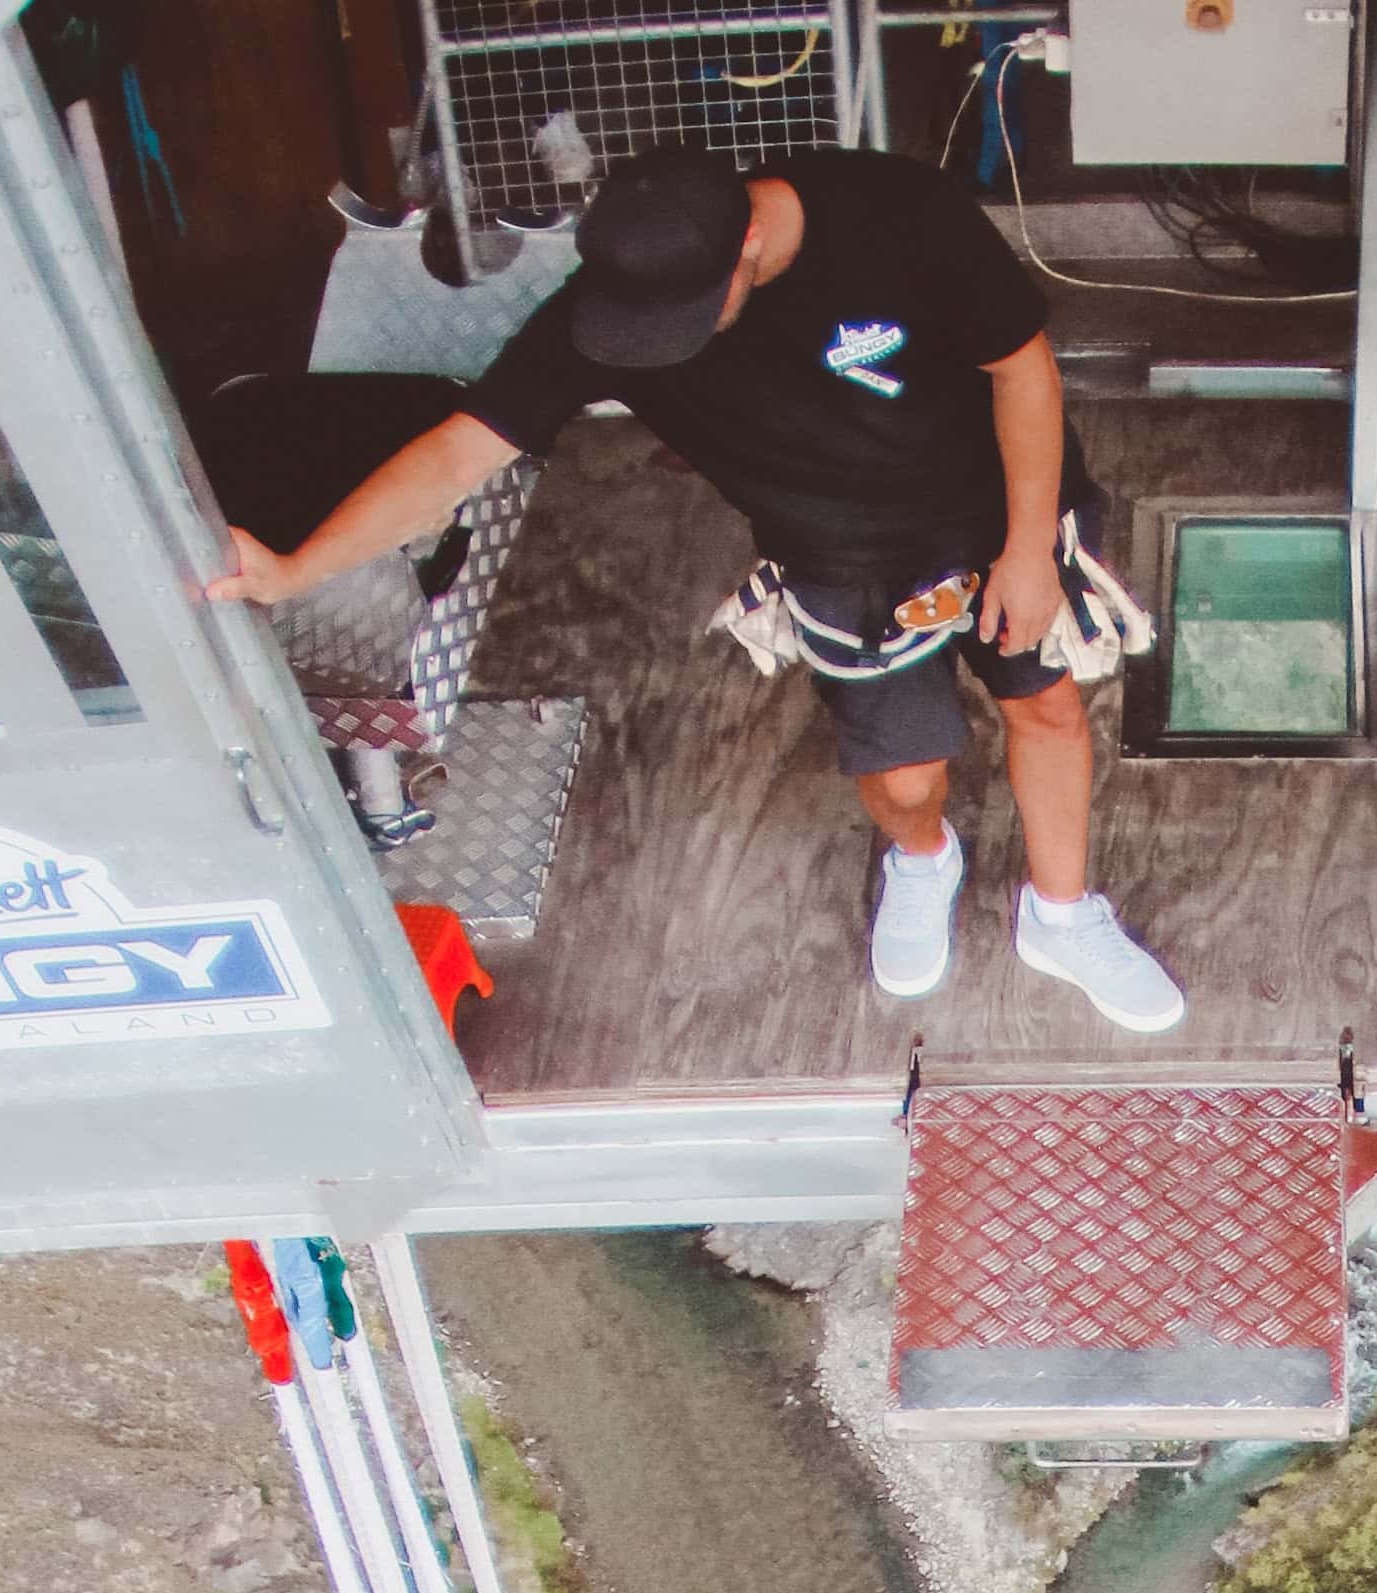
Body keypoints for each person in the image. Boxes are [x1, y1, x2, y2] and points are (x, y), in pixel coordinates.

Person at [210, 147, 1184, 1031]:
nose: (655, 344)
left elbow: (1020, 370)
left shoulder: (898, 213)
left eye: (684, 317)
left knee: (1047, 707)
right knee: (904, 776)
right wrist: (296, 568)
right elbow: (460, 451)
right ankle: (922, 861)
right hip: (834, 551)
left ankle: (1060, 917)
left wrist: (1023, 549)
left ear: (749, 241)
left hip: (995, 504)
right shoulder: (609, 314)